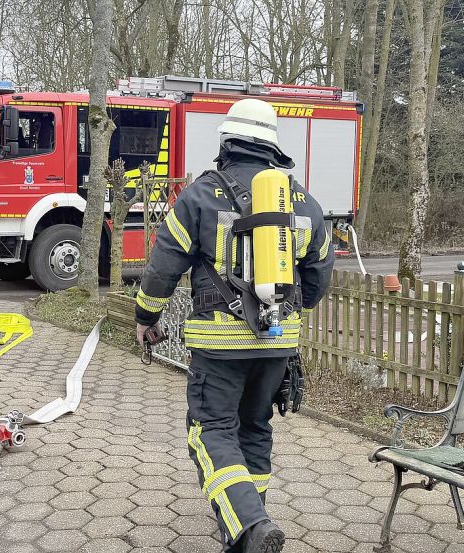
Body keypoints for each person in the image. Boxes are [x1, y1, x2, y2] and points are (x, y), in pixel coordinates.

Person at [134, 98, 334, 553]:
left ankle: (250, 524)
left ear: (226, 141)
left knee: (210, 431)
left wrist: (146, 317)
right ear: (273, 148)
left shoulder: (201, 194)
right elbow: (318, 277)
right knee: (256, 428)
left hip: (219, 344)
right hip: (279, 340)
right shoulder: (305, 202)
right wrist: (286, 314)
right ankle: (244, 533)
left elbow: (163, 266)